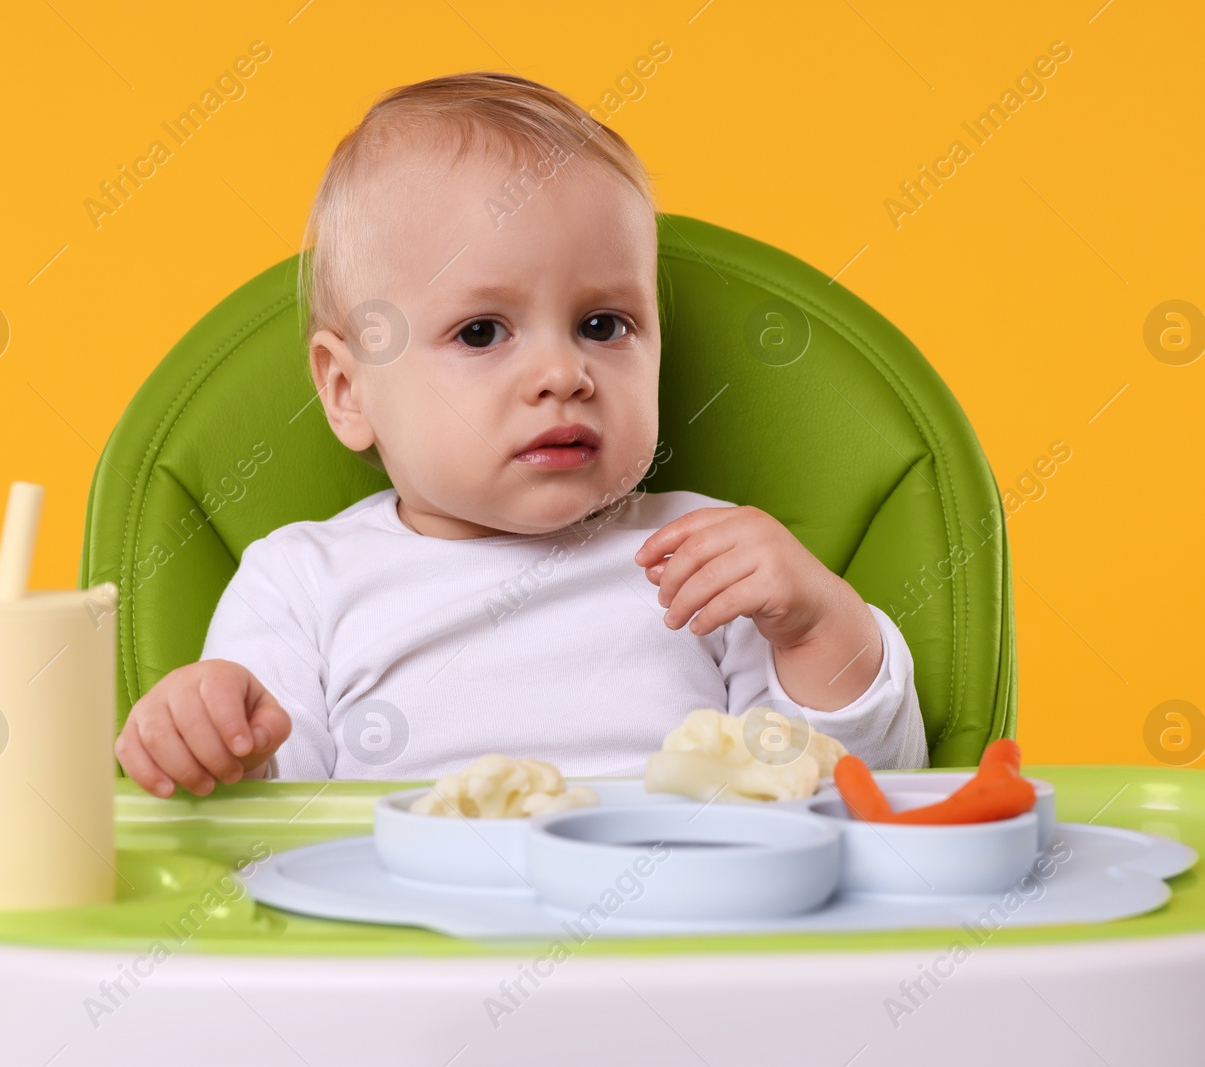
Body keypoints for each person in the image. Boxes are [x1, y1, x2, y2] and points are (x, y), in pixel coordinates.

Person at [113, 71, 928, 797]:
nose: (563, 373)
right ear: (348, 389)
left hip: (675, 933)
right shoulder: (301, 584)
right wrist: (212, 738)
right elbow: (266, 830)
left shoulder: (710, 559)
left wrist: (818, 624)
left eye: (604, 324)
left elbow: (847, 790)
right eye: (480, 333)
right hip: (408, 944)